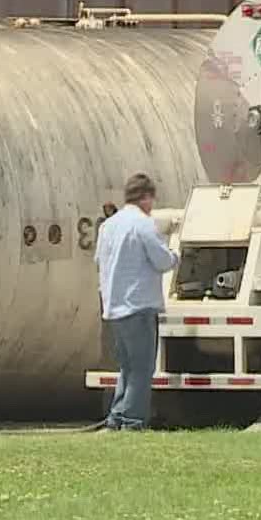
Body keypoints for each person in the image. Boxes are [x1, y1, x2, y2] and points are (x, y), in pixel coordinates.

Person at [93, 172, 178, 430]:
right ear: (146, 198)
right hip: (139, 306)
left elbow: (99, 261)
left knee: (127, 367)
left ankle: (116, 416)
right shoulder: (143, 224)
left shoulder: (108, 226)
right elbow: (162, 260)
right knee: (142, 368)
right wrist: (176, 256)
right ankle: (132, 420)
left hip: (114, 308)